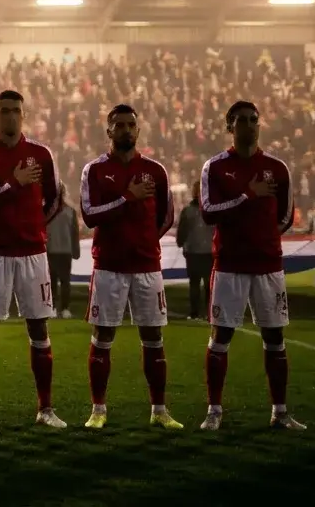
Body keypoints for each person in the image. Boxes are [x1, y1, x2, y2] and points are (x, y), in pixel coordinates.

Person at [0, 89, 66, 429]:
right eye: (3, 111)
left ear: (24, 115)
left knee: (39, 327)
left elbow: (53, 200)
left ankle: (46, 409)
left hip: (32, 253)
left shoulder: (41, 154)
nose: (10, 116)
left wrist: (35, 227)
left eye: (15, 111)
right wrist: (12, 184)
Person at [198, 100, 304, 430]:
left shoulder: (278, 168)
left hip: (268, 266)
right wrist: (247, 194)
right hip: (229, 264)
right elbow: (208, 212)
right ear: (230, 127)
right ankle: (214, 411)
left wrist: (265, 238)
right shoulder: (214, 168)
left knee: (275, 337)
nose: (249, 124)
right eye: (241, 120)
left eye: (254, 119)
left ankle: (280, 412)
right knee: (221, 337)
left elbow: (286, 214)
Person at [78, 104, 182, 430]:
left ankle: (160, 410)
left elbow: (166, 216)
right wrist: (126, 198)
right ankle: (98, 409)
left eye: (130, 125)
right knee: (103, 337)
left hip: (147, 266)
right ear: (108, 131)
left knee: (153, 337)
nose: (126, 130)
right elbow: (90, 215)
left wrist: (145, 240)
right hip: (108, 265)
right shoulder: (94, 171)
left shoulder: (156, 171)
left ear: (138, 130)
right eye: (119, 125)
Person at [175, 181, 214, 320]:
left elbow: (182, 232)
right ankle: (207, 313)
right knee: (205, 284)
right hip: (204, 251)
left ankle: (196, 313)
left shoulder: (188, 210)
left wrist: (180, 242)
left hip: (198, 251)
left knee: (198, 284)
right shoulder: (212, 209)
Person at [46, 193, 80, 319]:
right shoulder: (70, 211)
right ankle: (64, 309)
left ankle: (54, 308)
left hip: (52, 251)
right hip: (64, 252)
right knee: (65, 282)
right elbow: (74, 233)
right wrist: (76, 251)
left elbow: (74, 233)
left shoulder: (47, 211)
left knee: (53, 282)